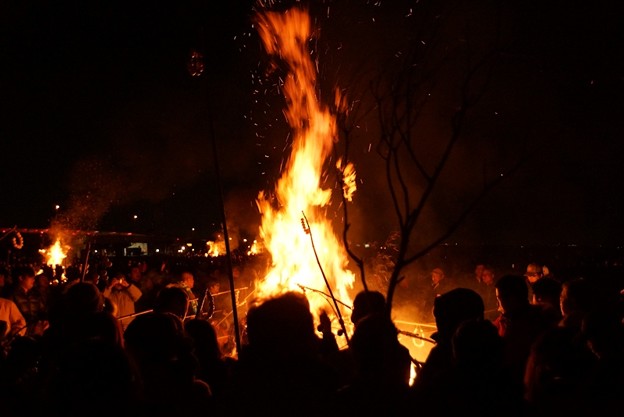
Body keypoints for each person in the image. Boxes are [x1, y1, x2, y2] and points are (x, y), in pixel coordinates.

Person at [9, 265, 48, 336]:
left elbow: (42, 310)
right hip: (20, 332)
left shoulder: (36, 294)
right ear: (21, 278)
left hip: (37, 331)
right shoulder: (11, 294)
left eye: (34, 277)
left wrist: (45, 320)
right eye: (30, 277)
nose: (33, 279)